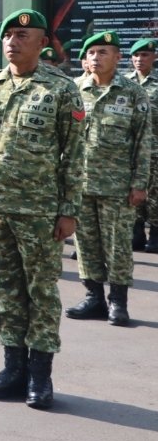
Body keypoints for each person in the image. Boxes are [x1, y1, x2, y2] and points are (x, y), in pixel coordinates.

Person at [0, 8, 84, 410]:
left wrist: (68, 209)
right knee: (7, 292)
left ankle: (40, 376)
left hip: (39, 211)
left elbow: (74, 155)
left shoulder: (60, 89)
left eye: (23, 35)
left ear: (42, 42)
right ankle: (12, 369)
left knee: (41, 293)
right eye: (8, 36)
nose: (13, 42)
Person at [65, 31, 151, 326]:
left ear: (117, 58)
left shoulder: (132, 93)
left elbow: (143, 141)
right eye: (92, 53)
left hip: (118, 185)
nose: (96, 58)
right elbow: (64, 138)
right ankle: (93, 298)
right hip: (81, 183)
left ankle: (118, 302)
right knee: (86, 244)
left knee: (118, 245)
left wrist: (140, 183)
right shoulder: (75, 89)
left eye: (103, 52)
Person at [128, 38, 158, 253]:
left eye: (145, 55)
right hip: (131, 150)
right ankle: (136, 234)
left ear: (154, 57)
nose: (139, 60)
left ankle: (155, 236)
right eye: (136, 56)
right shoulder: (126, 84)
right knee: (133, 192)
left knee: (155, 194)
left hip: (155, 148)